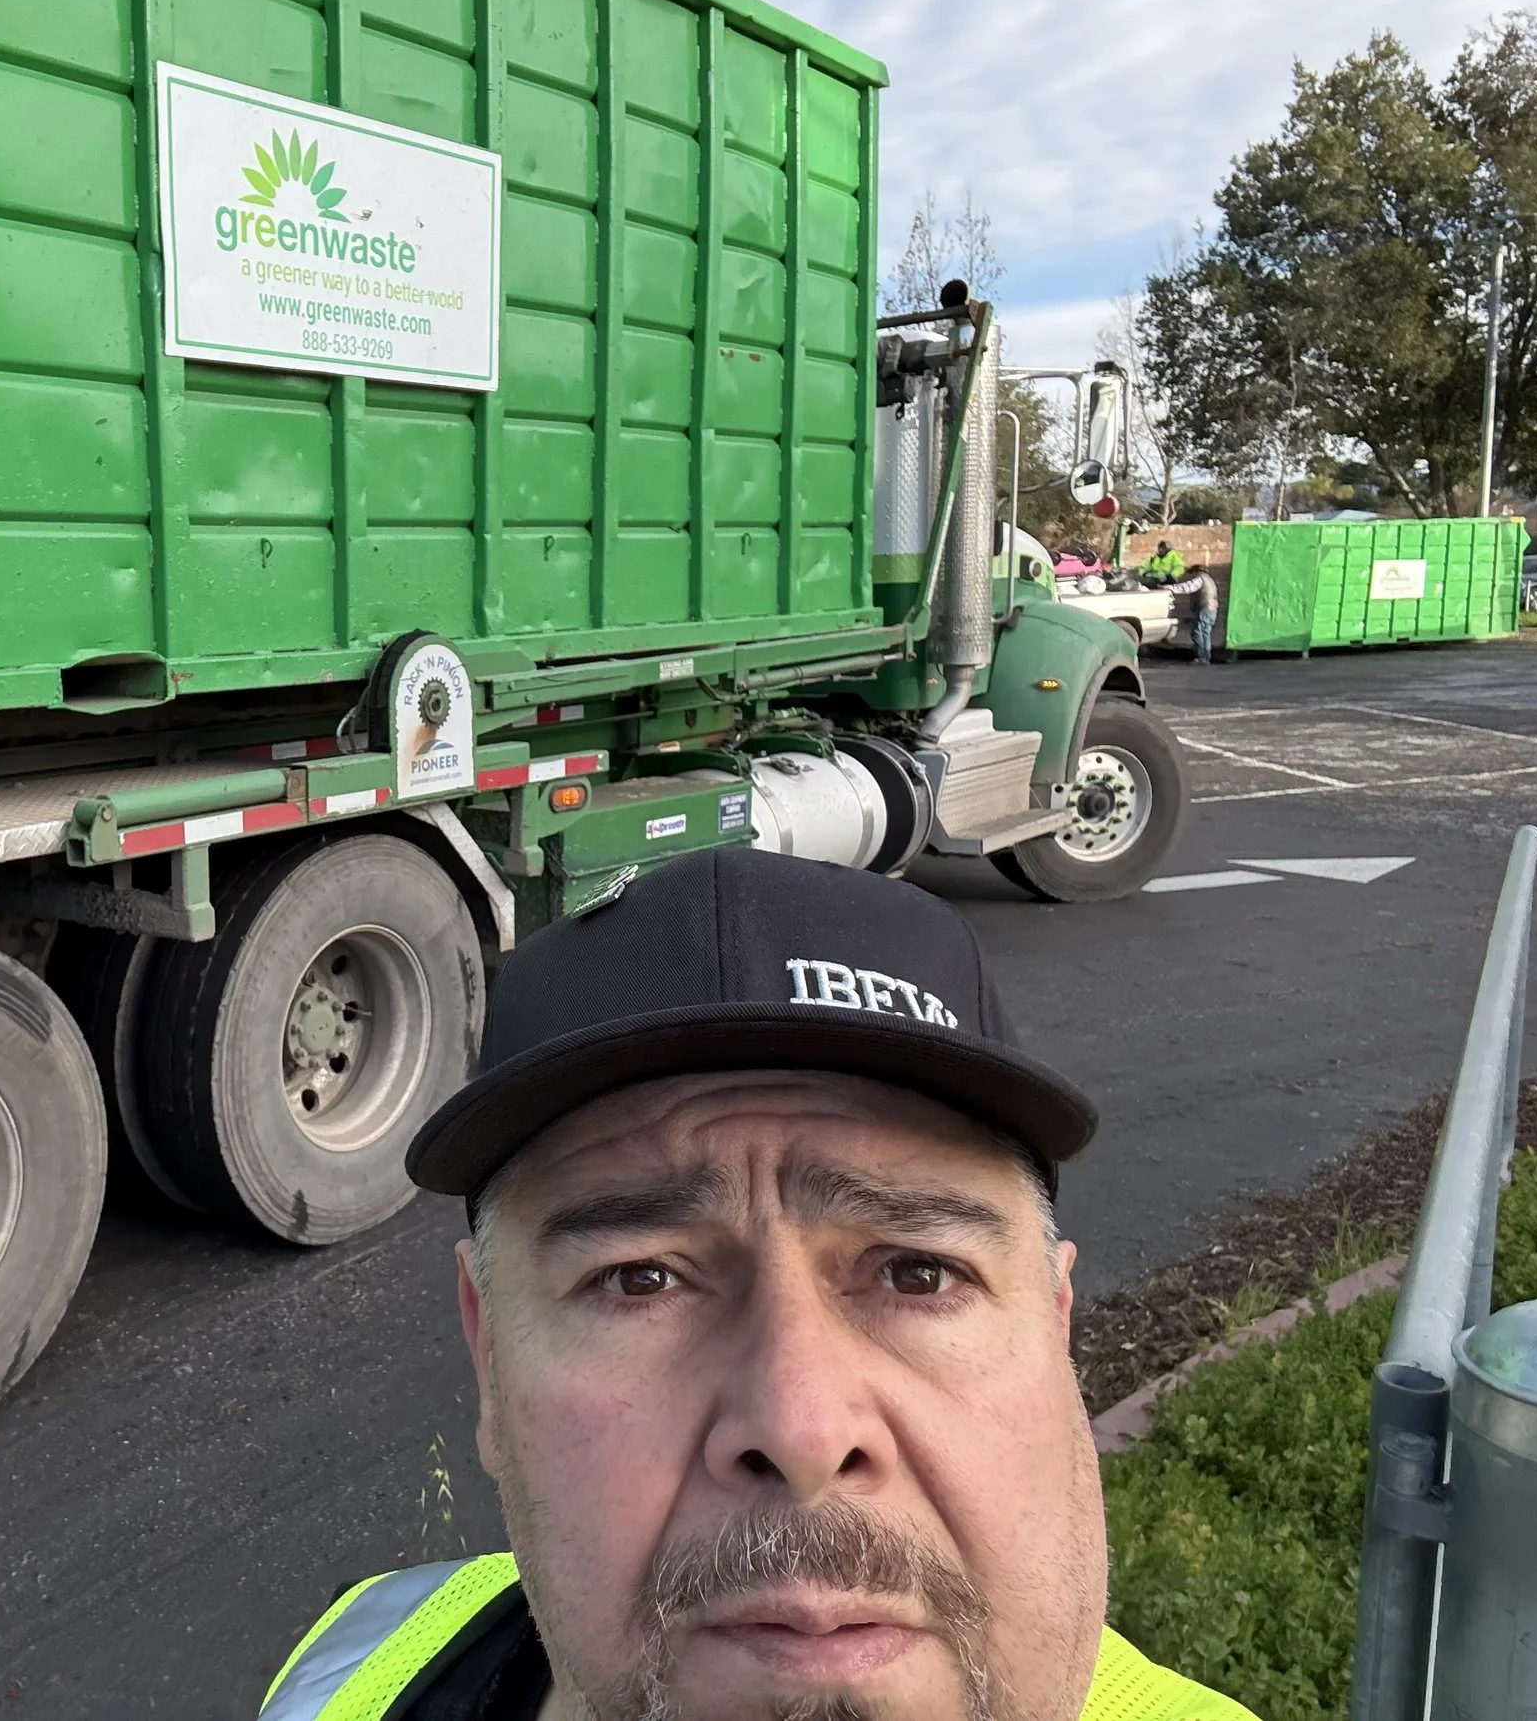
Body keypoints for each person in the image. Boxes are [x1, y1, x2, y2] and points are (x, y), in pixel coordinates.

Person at [261, 849, 1258, 1721]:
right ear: (487, 1355)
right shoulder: (351, 1670)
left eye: (918, 1273)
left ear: (1054, 1324)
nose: (802, 1429)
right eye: (638, 1280)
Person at [1163, 565, 1220, 664]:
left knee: (1198, 632)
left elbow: (1188, 587)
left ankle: (1201, 657)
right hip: (1212, 609)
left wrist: (1170, 588)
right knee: (1205, 633)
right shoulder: (1210, 579)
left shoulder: (1200, 578)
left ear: (1196, 571)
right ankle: (1206, 658)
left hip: (1204, 609)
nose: (1191, 576)